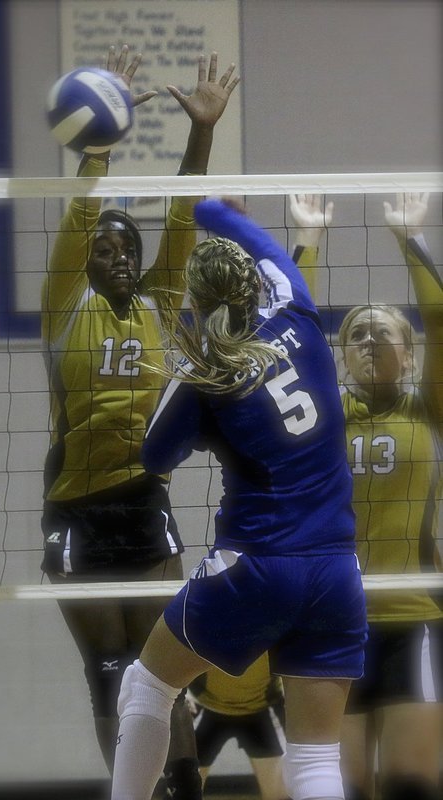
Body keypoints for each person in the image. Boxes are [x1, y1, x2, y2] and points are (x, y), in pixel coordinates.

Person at [111, 196, 368, 800]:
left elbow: (153, 456)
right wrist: (209, 205)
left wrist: (192, 370)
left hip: (257, 566)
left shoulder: (206, 374)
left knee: (146, 686)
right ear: (255, 283)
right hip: (336, 572)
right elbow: (269, 247)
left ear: (194, 305)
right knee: (314, 760)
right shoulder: (301, 319)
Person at [40, 44, 239, 799]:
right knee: (109, 667)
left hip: (143, 498)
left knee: (162, 659)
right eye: (105, 246)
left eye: (129, 245)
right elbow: (82, 213)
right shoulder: (68, 307)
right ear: (87, 260)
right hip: (74, 506)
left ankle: (185, 786)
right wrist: (100, 146)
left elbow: (184, 211)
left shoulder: (160, 306)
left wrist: (203, 134)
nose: (118, 253)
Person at [289, 192, 443, 800]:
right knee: (344, 788)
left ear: (408, 356)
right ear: (344, 356)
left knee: (411, 784)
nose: (369, 340)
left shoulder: (428, 410)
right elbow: (291, 339)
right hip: (330, 619)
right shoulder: (322, 415)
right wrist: (308, 241)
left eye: (384, 333)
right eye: (356, 334)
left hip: (413, 620)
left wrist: (410, 236)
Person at [189, 654, 289, 800]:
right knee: (186, 788)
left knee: (278, 795)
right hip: (207, 706)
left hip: (261, 709)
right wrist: (183, 692)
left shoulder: (274, 633)